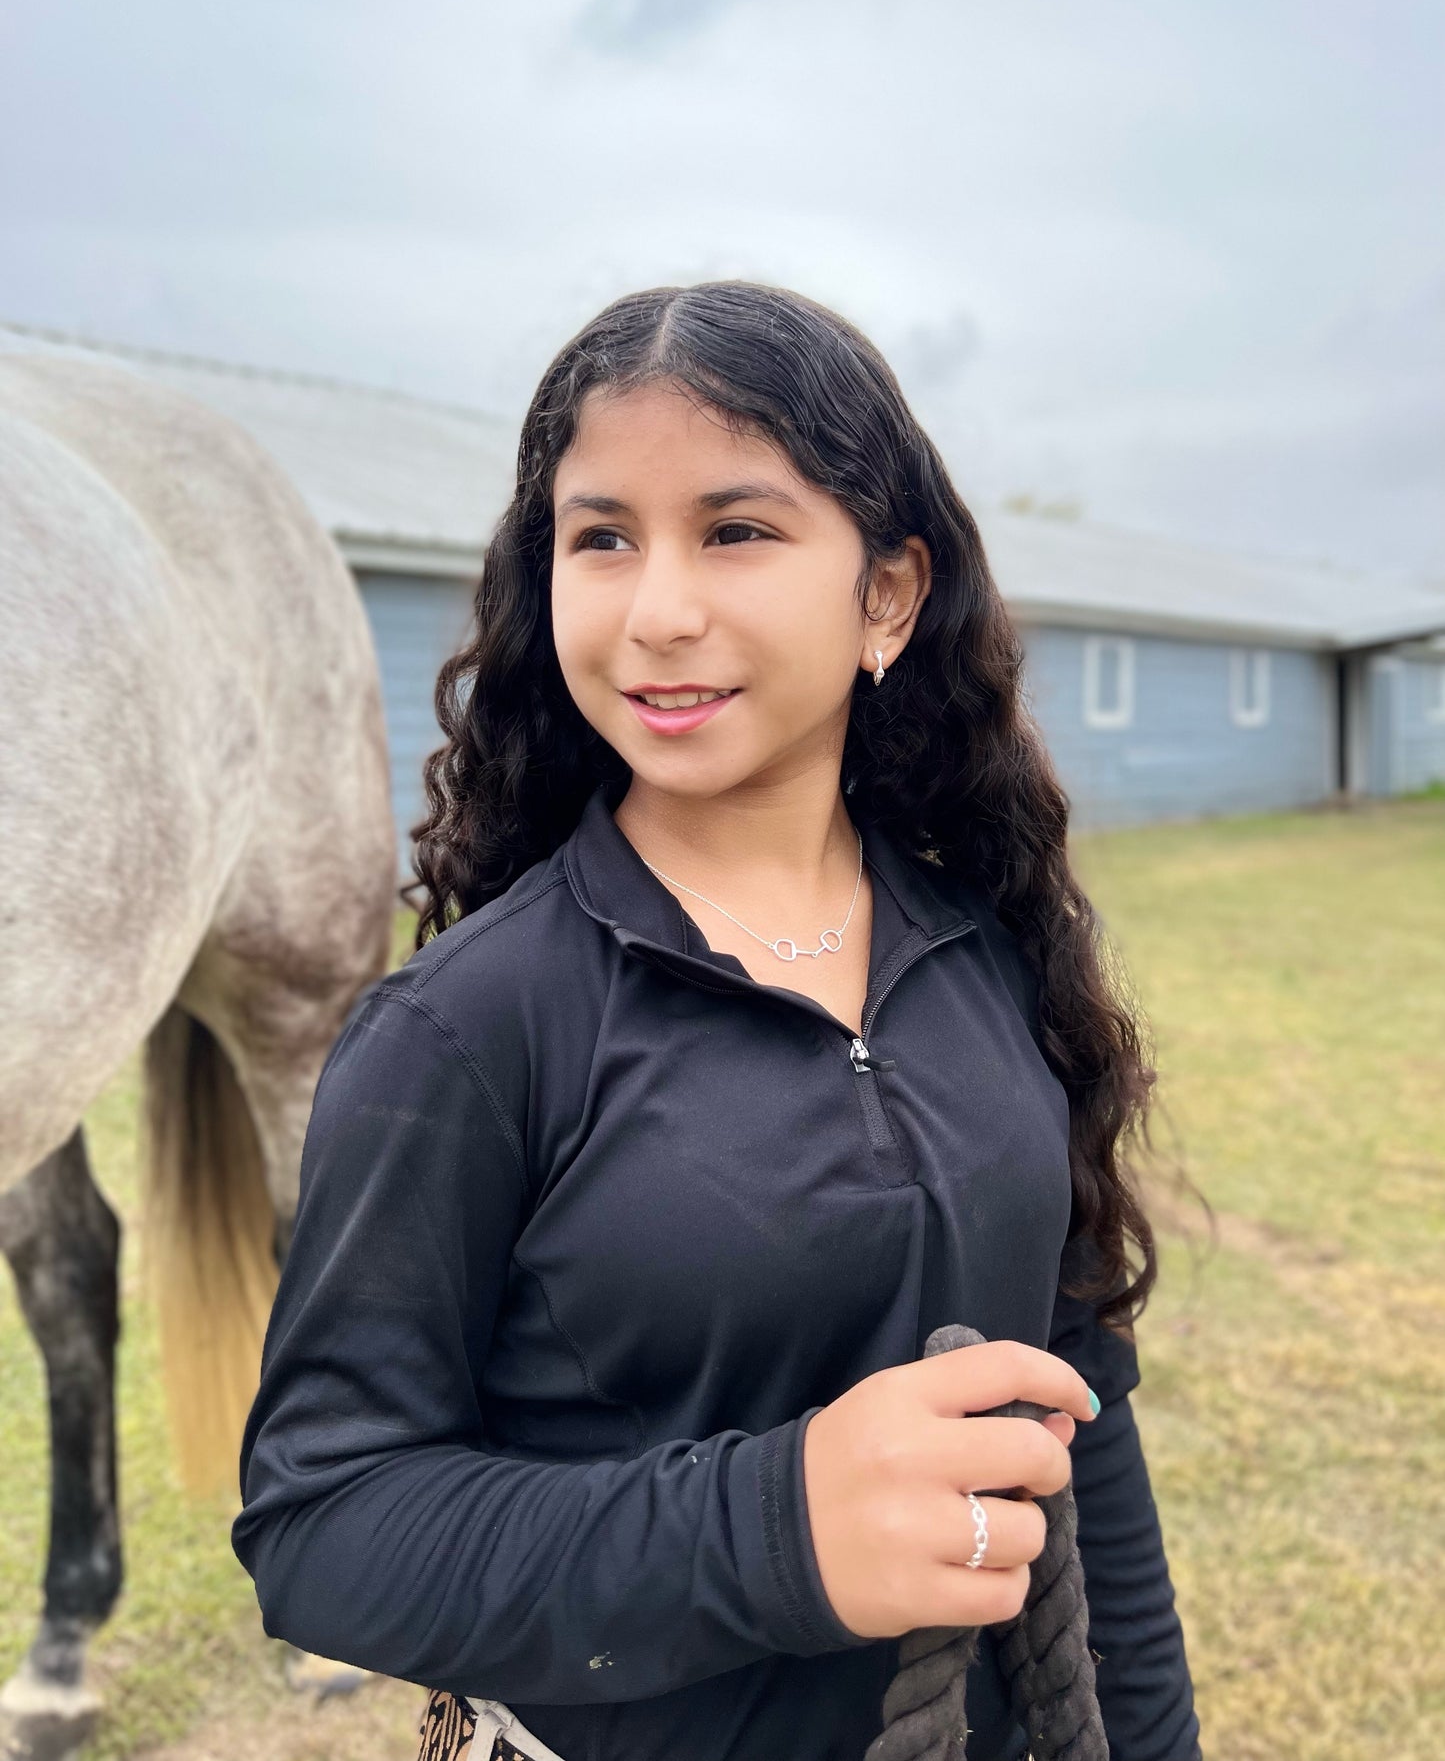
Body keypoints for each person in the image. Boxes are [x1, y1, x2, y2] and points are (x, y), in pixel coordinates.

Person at [232, 280, 1202, 1761]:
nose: (656, 609)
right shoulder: (466, 1030)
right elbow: (325, 1523)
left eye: (735, 531)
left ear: (886, 593)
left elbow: (1080, 1433)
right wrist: (778, 1528)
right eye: (601, 537)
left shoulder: (990, 952)